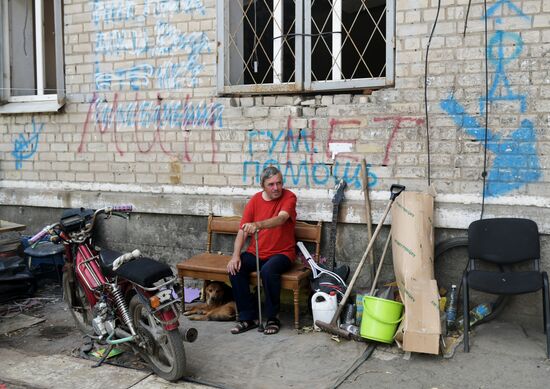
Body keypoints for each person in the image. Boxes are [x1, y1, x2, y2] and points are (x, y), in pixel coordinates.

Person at [227, 166, 297, 335]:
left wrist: (258, 225)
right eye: (271, 184)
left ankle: (273, 317)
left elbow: (281, 219)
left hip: (283, 253)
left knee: (268, 270)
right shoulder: (255, 200)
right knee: (236, 268)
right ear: (263, 185)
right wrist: (235, 256)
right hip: (257, 251)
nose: (276, 188)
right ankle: (247, 318)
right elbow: (243, 230)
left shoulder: (289, 197)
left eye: (279, 183)